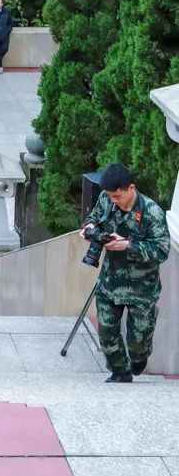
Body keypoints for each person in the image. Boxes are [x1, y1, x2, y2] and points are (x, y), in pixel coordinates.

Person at [82, 163, 171, 383]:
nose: (113, 200)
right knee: (107, 333)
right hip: (110, 281)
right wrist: (89, 229)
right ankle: (120, 373)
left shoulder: (151, 212)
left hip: (142, 287)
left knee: (137, 343)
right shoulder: (106, 199)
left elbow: (161, 250)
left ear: (131, 188)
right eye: (110, 196)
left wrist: (127, 246)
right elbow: (94, 218)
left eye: (117, 196)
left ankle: (139, 359)